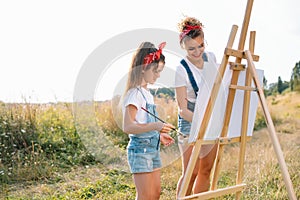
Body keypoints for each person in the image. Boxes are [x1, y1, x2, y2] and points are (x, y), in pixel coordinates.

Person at [122, 41, 175, 200]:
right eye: (156, 71)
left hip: (152, 149)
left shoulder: (147, 93)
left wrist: (158, 135)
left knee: (155, 194)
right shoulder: (134, 94)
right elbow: (128, 126)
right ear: (144, 68)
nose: (158, 75)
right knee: (145, 196)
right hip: (140, 151)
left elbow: (142, 122)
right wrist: (156, 126)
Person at [174, 16, 219, 196]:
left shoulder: (212, 59)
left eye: (201, 46)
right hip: (190, 121)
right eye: (192, 48)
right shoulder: (181, 70)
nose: (197, 51)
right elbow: (182, 109)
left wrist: (211, 120)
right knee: (191, 171)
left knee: (206, 169)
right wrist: (202, 121)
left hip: (210, 119)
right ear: (183, 47)